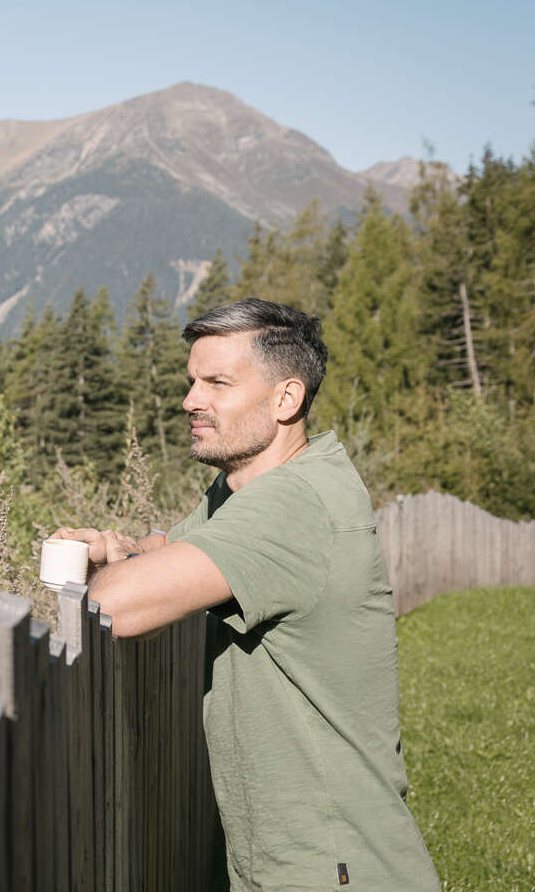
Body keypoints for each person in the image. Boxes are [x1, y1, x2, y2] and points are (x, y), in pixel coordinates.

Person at [57, 298, 439, 891]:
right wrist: (121, 549)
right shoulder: (250, 489)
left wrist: (102, 575)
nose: (191, 400)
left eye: (218, 383)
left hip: (331, 866)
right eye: (191, 381)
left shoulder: (290, 505)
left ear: (287, 399)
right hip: (303, 858)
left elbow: (119, 607)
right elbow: (171, 551)